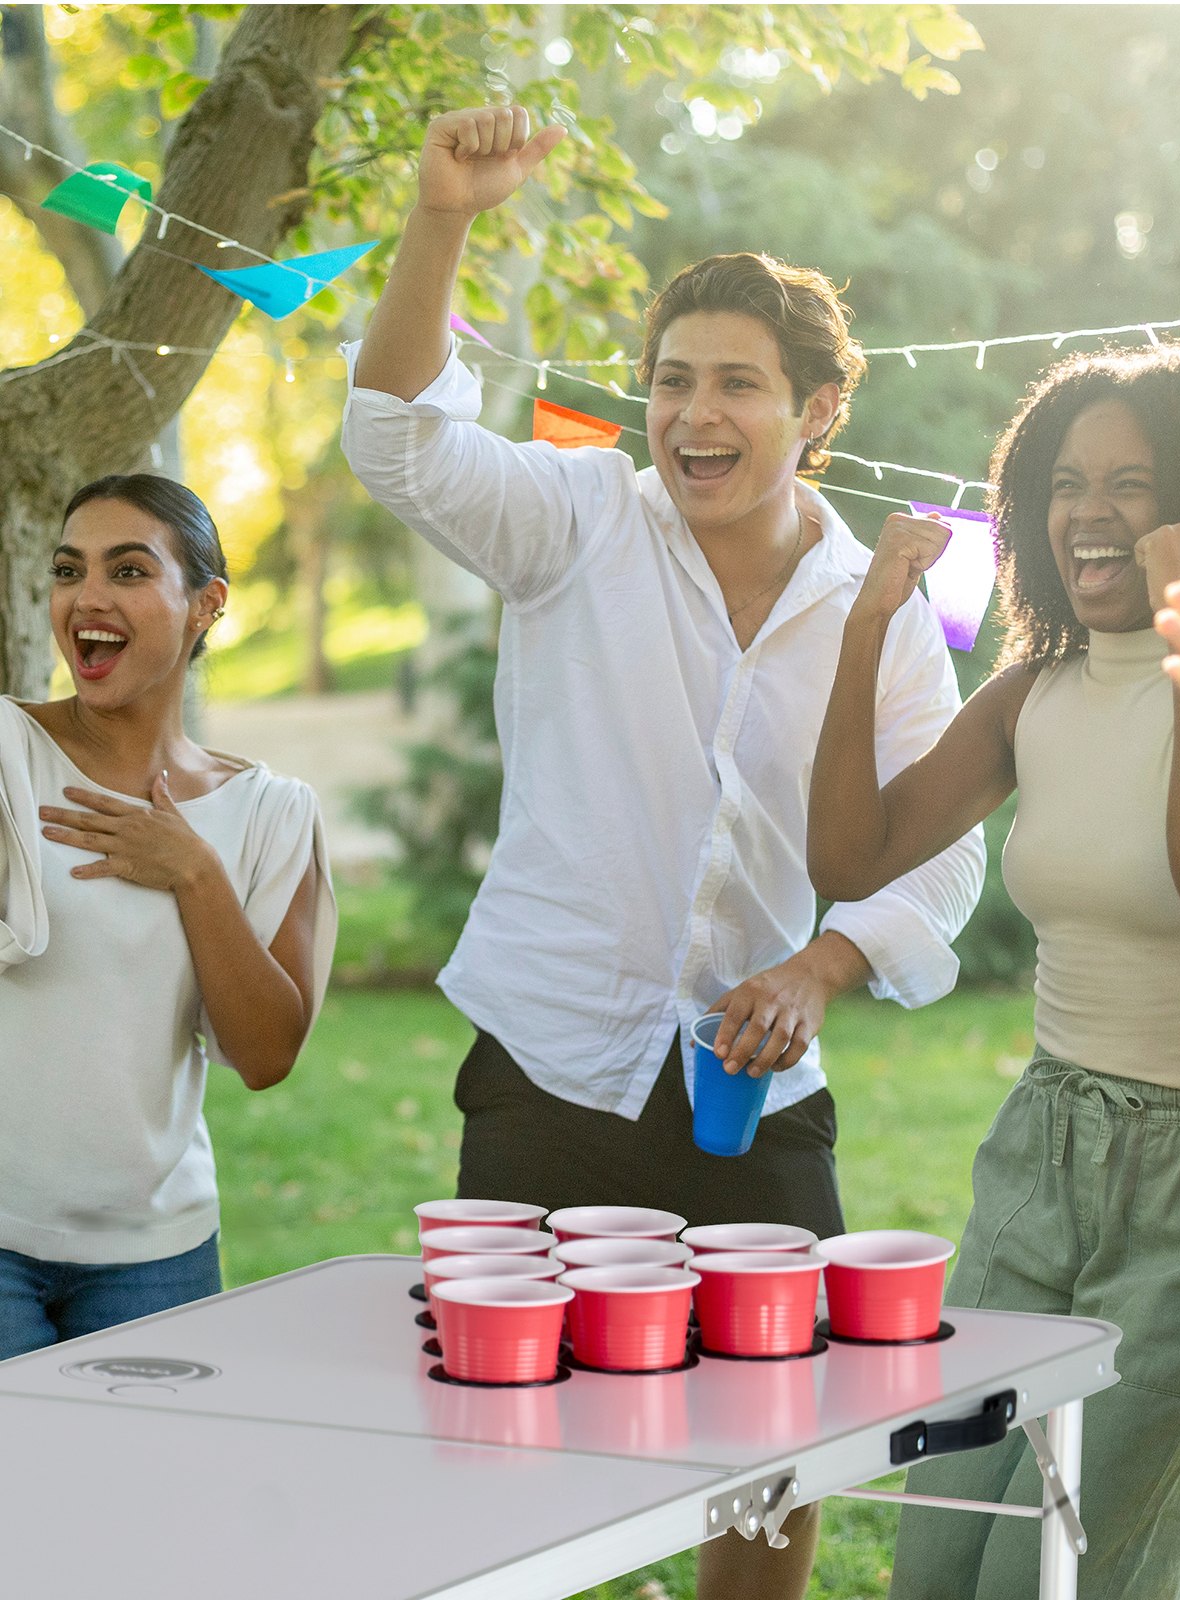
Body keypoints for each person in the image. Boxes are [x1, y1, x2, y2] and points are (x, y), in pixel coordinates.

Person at [340, 107, 983, 1599]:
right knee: (498, 1452)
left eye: (738, 385)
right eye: (673, 381)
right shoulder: (573, 518)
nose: (695, 413)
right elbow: (391, 435)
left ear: (819, 407)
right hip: (548, 1063)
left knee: (773, 1459)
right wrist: (444, 215)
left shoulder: (878, 606)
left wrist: (826, 965)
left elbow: (943, 855)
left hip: (752, 1102)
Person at [808, 341, 1180, 1599]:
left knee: (1064, 1579)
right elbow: (851, 854)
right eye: (1063, 482)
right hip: (1040, 1150)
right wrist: (867, 628)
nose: (1087, 514)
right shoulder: (1028, 691)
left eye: (1131, 483)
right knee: (938, 1564)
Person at [0, 474, 335, 1362]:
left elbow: (265, 1055)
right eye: (69, 571)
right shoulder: (6, 755)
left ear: (205, 605)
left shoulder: (270, 813)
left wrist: (194, 870)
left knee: (145, 1500)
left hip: (155, 1256)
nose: (88, 599)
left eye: (130, 571)